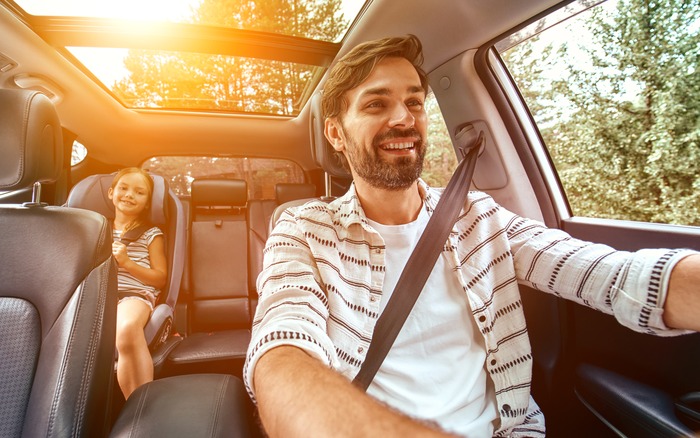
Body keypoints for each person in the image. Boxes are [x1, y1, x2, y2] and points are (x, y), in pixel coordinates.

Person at [243, 35, 700, 437]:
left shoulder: (477, 214)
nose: (404, 118)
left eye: (415, 101)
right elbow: (283, 347)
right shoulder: (304, 229)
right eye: (376, 103)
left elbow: (607, 272)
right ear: (336, 134)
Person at [108, 167, 167, 399]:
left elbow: (160, 277)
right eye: (123, 188)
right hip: (98, 295)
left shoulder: (151, 234)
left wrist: (127, 263)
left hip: (134, 295)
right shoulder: (95, 228)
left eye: (139, 192)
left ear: (147, 203)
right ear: (111, 193)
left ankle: (140, 404)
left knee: (127, 327)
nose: (129, 195)